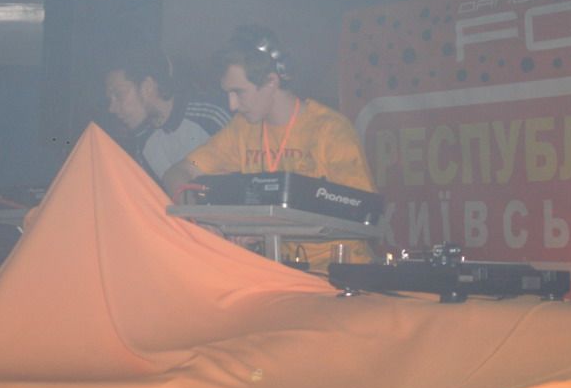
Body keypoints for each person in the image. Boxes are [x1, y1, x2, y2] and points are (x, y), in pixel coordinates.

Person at [162, 24, 376, 271]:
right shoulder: (242, 129)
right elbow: (179, 172)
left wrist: (262, 225)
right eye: (228, 94)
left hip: (339, 272)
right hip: (283, 270)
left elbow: (363, 213)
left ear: (271, 81)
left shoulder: (330, 130)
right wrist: (199, 216)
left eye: (239, 92)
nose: (232, 105)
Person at [104, 40, 230, 186]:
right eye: (110, 99)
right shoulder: (142, 143)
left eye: (119, 94)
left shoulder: (210, 116)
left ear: (147, 86)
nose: (111, 108)